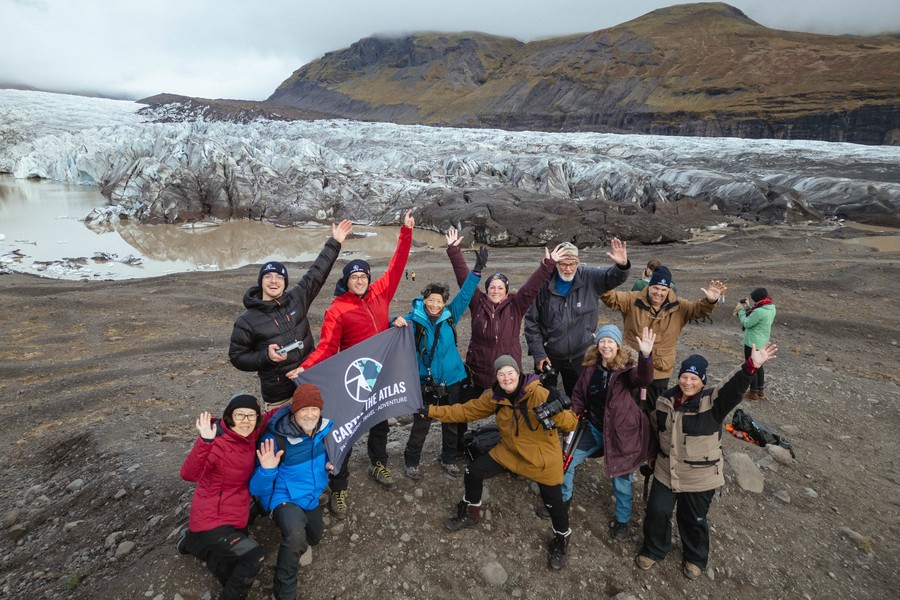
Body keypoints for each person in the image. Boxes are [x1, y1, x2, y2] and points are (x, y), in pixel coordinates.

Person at [298, 210, 415, 517]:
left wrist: (405, 232)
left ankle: (379, 463)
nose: (360, 280)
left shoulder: (381, 293)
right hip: (355, 379)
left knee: (380, 420)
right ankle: (339, 485)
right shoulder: (338, 309)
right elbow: (327, 347)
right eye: (354, 277)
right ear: (347, 281)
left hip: (381, 372)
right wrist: (304, 369)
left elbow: (397, 264)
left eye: (363, 276)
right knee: (346, 430)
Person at [635, 343, 778, 580]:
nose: (688, 382)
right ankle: (654, 549)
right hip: (665, 470)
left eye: (694, 378)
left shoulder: (712, 402)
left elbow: (731, 388)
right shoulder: (664, 401)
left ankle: (695, 558)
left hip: (700, 476)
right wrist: (650, 457)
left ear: (702, 381)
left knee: (692, 518)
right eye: (684, 376)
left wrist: (751, 365)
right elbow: (654, 430)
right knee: (657, 511)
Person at [425, 355, 579, 570]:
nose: (506, 378)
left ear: (518, 373)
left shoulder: (539, 393)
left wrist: (555, 411)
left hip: (541, 459)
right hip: (509, 452)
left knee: (554, 504)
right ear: (496, 378)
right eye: (501, 374)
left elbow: (571, 422)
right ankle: (471, 513)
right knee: (473, 472)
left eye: (510, 373)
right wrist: (430, 411)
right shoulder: (495, 397)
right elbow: (465, 410)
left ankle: (561, 541)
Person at [542, 325, 656, 541]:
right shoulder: (590, 368)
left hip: (621, 434)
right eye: (602, 341)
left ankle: (622, 521)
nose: (606, 345)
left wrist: (646, 356)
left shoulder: (626, 371)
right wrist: (570, 424)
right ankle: (563, 501)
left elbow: (644, 379)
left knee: (621, 479)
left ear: (618, 345)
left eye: (610, 341)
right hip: (593, 428)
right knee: (565, 461)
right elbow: (578, 396)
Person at [229, 220, 353, 408]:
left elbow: (317, 273)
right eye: (268, 276)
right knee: (282, 428)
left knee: (319, 424)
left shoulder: (297, 299)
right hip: (279, 394)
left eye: (279, 277)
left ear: (285, 282)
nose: (274, 281)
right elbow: (237, 358)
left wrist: (335, 242)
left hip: (310, 380)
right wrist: (266, 357)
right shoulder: (246, 321)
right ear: (261, 282)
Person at [446, 227, 565, 399]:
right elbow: (465, 281)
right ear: (486, 290)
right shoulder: (477, 302)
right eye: (492, 287)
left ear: (506, 292)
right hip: (477, 370)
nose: (496, 291)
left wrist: (548, 264)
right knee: (466, 407)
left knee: (507, 409)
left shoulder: (516, 305)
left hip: (507, 373)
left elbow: (531, 288)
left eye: (500, 288)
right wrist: (454, 251)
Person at [392, 246, 480, 478]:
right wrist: (393, 321)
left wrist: (477, 271)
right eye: (431, 300)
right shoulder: (414, 319)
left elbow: (465, 295)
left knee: (451, 423)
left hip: (452, 380)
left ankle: (448, 458)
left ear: (444, 303)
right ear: (425, 299)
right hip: (425, 383)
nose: (434, 305)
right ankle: (412, 462)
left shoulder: (451, 315)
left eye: (439, 301)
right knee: (422, 423)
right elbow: (394, 330)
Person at [177, 393, 272, 600]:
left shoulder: (251, 435)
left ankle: (192, 542)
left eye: (251, 415)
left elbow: (274, 414)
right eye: (240, 415)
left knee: (231, 569)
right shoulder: (217, 444)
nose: (245, 421)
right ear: (229, 417)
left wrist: (304, 397)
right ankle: (197, 539)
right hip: (211, 520)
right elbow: (188, 475)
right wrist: (205, 441)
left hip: (236, 517)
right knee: (254, 557)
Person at [249, 384, 333, 600]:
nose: (310, 414)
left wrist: (329, 464)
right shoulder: (275, 439)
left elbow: (324, 457)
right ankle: (283, 591)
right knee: (296, 536)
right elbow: (255, 488)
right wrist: (267, 470)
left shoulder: (323, 430)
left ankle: (294, 534)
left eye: (314, 409)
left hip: (310, 496)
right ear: (294, 410)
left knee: (314, 538)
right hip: (284, 497)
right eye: (304, 409)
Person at [601, 265, 726, 404]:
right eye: (655, 288)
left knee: (655, 407)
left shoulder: (680, 306)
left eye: (663, 289)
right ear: (649, 286)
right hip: (631, 366)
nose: (659, 293)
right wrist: (606, 277)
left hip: (660, 370)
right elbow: (611, 298)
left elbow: (698, 309)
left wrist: (710, 301)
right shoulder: (632, 300)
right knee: (625, 405)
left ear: (669, 289)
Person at [524, 239, 630, 396]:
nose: (568, 269)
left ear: (578, 262)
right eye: (563, 264)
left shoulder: (589, 277)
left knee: (579, 397)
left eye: (572, 264)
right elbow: (531, 322)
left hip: (581, 353)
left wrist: (622, 266)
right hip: (549, 354)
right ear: (556, 263)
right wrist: (539, 354)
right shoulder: (542, 283)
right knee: (543, 396)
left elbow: (612, 278)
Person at [736, 287, 776, 401]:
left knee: (752, 365)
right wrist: (748, 307)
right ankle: (760, 390)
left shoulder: (759, 311)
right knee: (759, 365)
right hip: (762, 341)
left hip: (752, 342)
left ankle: (753, 392)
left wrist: (741, 311)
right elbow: (755, 316)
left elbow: (747, 322)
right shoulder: (771, 307)